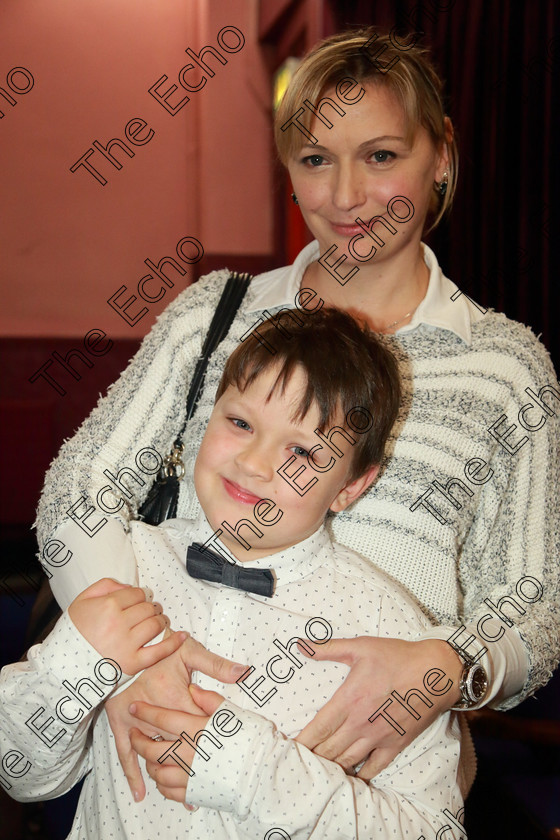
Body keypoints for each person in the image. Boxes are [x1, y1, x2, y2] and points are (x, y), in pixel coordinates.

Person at [35, 26, 559, 796]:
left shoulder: (507, 369)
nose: (346, 197)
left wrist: (446, 668)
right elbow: (79, 493)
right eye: (316, 160)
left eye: (381, 156)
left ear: (441, 154)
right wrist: (130, 656)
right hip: (166, 757)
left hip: (364, 787)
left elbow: (533, 612)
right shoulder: (213, 315)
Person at [2, 309, 466, 839]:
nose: (254, 462)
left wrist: (260, 775)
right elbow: (22, 775)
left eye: (303, 452)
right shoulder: (124, 568)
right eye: (241, 423)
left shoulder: (389, 629)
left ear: (351, 487)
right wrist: (78, 661)